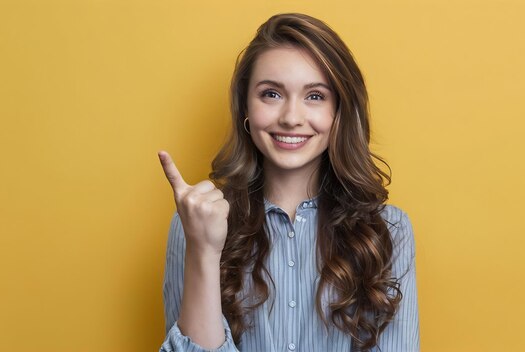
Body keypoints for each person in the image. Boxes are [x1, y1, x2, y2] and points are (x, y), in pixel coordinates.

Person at [157, 13, 419, 352]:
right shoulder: (192, 225)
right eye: (271, 94)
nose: (292, 118)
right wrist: (205, 250)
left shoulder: (390, 230)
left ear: (338, 111)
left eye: (315, 96)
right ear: (245, 109)